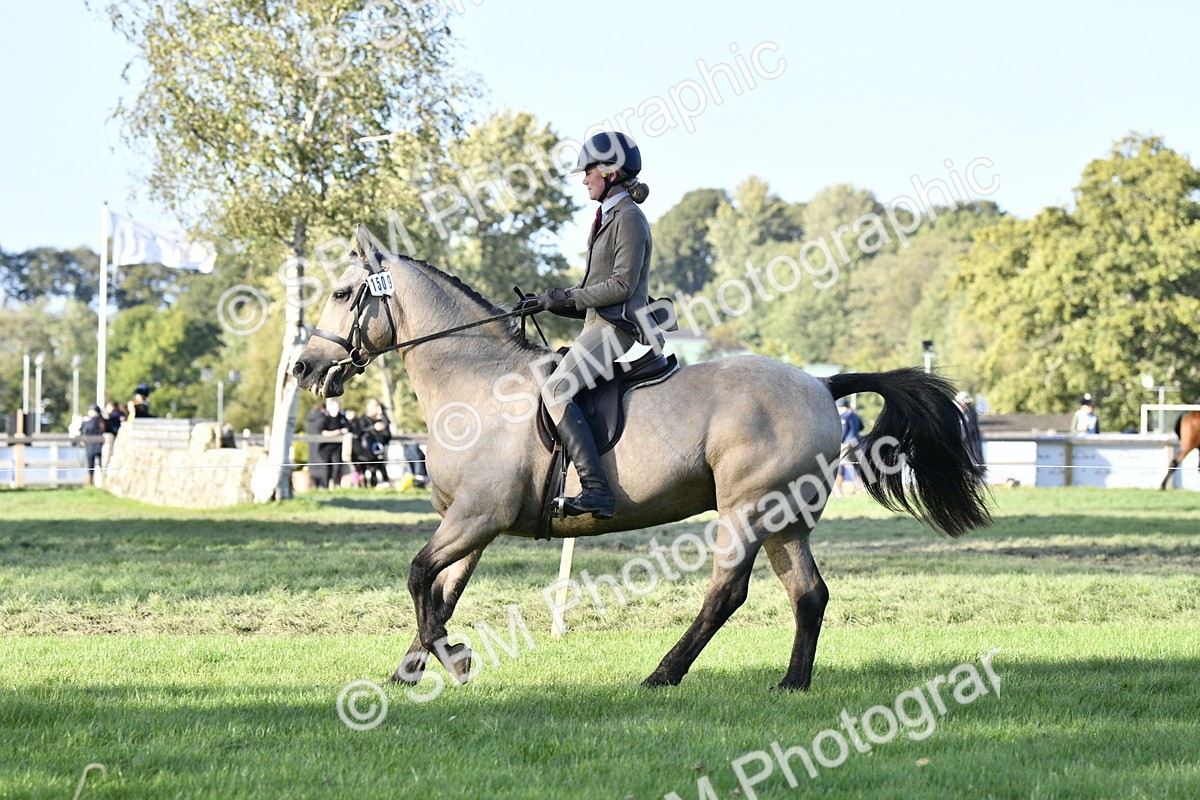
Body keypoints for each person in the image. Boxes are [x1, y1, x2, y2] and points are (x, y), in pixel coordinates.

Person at [518, 131, 661, 520]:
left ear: (611, 172)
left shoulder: (629, 218)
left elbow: (620, 286)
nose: (584, 179)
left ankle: (596, 489)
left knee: (557, 388)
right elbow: (589, 291)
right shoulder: (607, 217)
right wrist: (548, 303)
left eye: (588, 171)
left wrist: (566, 296)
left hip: (617, 328)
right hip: (597, 323)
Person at [353, 398, 392, 488]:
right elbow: (359, 432)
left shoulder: (383, 419)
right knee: (369, 469)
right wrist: (373, 428)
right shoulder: (363, 419)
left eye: (377, 406)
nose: (376, 408)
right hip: (365, 452)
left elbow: (388, 435)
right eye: (374, 406)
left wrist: (382, 416)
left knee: (381, 466)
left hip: (380, 450)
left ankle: (385, 484)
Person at [319, 398, 350, 488]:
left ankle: (335, 485)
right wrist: (336, 432)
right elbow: (323, 432)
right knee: (326, 467)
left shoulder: (342, 417)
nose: (337, 409)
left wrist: (343, 431)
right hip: (326, 447)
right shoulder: (325, 418)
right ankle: (325, 487)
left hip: (337, 447)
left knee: (337, 466)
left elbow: (348, 428)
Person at [835, 398, 864, 493]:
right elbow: (861, 426)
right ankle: (858, 485)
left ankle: (856, 486)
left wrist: (838, 441)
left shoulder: (844, 417)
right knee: (854, 464)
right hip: (857, 441)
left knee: (846, 464)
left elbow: (843, 431)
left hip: (847, 443)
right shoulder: (855, 415)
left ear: (842, 407)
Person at [955, 391, 985, 464]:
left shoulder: (970, 413)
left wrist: (956, 441)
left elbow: (966, 430)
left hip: (971, 444)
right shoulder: (963, 412)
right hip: (967, 445)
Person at [305, 401, 330, 488]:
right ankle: (324, 485)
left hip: (311, 444)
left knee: (313, 464)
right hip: (321, 445)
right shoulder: (322, 418)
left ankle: (315, 485)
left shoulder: (309, 417)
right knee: (322, 465)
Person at [80, 404, 106, 486]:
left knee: (93, 467)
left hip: (94, 446)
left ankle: (95, 484)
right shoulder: (100, 420)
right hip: (96, 445)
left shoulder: (94, 421)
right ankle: (99, 484)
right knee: (96, 466)